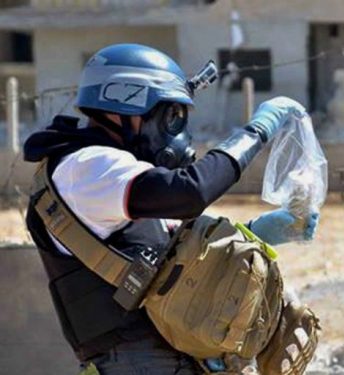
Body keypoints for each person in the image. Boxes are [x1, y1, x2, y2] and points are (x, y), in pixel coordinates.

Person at [24, 44, 319, 374]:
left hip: (163, 357)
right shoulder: (85, 166)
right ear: (128, 103)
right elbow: (189, 192)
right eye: (172, 116)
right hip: (132, 360)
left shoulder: (119, 175)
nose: (176, 132)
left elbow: (176, 257)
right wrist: (258, 130)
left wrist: (258, 231)